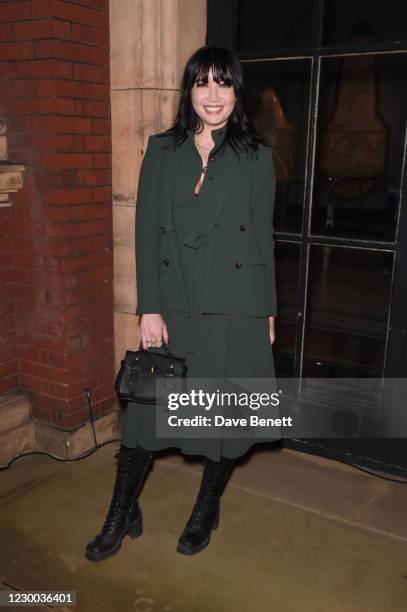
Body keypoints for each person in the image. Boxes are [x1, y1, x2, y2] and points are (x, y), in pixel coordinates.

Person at [85, 44, 279, 561]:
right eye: (202, 83)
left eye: (223, 83)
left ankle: (204, 508)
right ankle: (121, 513)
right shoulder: (162, 149)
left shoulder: (256, 156)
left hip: (235, 306)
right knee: (146, 422)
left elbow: (263, 236)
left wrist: (268, 312)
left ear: (237, 91)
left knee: (221, 421)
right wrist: (149, 306)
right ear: (188, 89)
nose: (212, 95)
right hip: (174, 304)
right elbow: (146, 232)